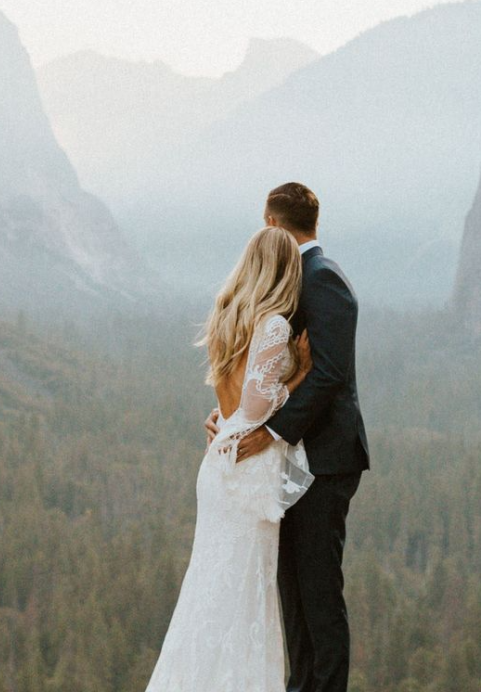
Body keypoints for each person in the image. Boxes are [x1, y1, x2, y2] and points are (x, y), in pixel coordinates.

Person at [206, 181, 370, 692]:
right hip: (288, 461)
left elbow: (330, 375)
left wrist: (270, 431)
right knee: (292, 592)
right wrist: (234, 420)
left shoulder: (323, 280)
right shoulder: (296, 278)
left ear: (273, 224)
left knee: (319, 594)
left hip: (324, 460)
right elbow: (270, 371)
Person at [145, 225, 315, 691]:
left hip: (220, 458)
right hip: (249, 465)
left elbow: (230, 400)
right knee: (245, 589)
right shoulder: (275, 324)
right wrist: (299, 376)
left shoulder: (228, 314)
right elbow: (257, 406)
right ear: (285, 271)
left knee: (210, 587)